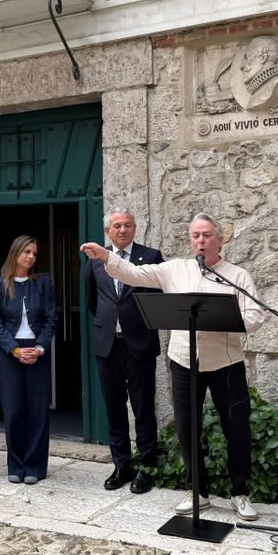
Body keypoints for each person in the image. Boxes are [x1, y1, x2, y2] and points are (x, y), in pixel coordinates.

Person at [81, 212, 267, 521]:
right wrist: (106, 258)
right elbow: (133, 274)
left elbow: (256, 316)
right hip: (184, 362)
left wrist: (224, 321)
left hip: (227, 364)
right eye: (195, 235)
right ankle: (197, 491)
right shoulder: (174, 270)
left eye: (207, 235)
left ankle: (239, 491)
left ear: (220, 239)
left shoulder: (237, 275)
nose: (200, 240)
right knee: (187, 428)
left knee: (236, 429)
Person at [82, 209, 165, 494]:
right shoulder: (94, 260)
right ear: (108, 231)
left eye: (128, 225)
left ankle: (146, 465)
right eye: (117, 226)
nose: (123, 230)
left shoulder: (151, 256)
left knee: (143, 407)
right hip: (108, 344)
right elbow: (92, 300)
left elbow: (158, 298)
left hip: (139, 343)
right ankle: (121, 464)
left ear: (135, 228)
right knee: (114, 407)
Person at [0, 235, 56, 484]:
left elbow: (50, 320)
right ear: (15, 253)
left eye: (34, 253)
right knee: (13, 409)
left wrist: (39, 348)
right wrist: (14, 349)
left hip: (37, 351)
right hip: (9, 354)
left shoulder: (43, 283)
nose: (31, 257)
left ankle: (35, 466)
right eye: (27, 252)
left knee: (36, 410)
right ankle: (16, 465)